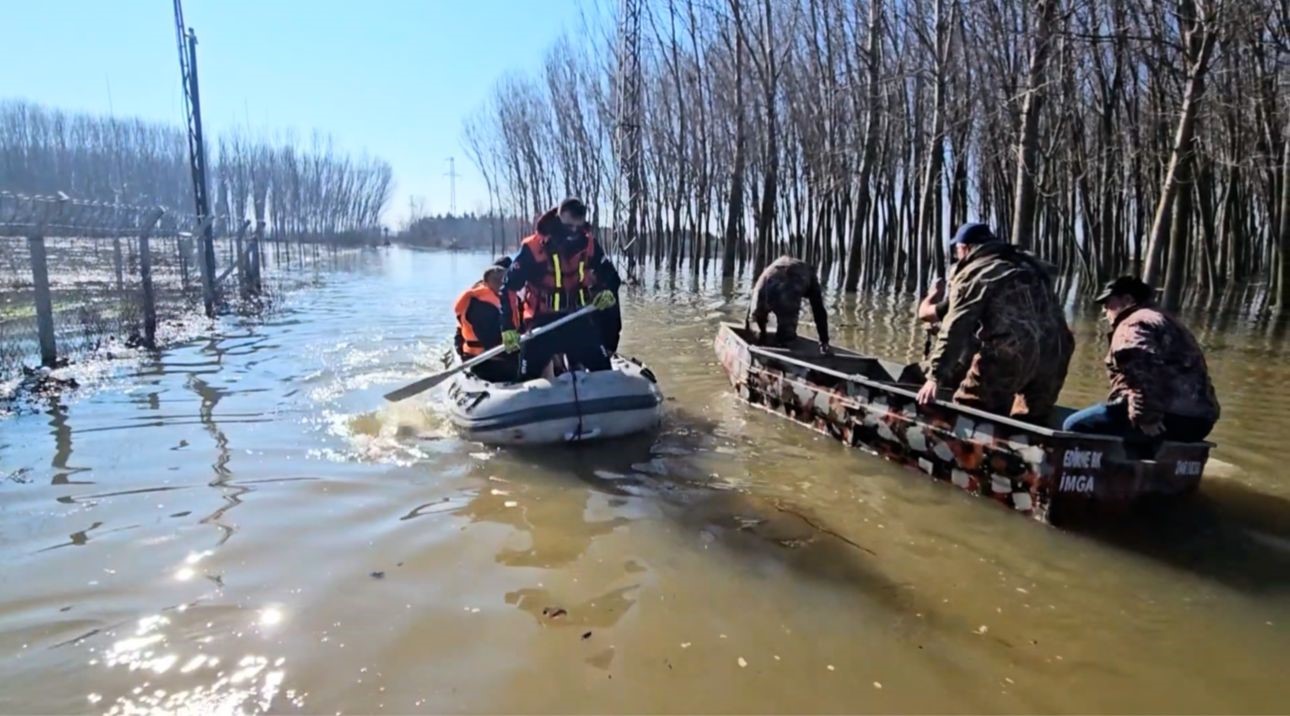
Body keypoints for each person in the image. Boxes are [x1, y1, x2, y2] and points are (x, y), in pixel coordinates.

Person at [917, 222, 1074, 421]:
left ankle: (969, 447)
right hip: (1057, 351)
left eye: (957, 252)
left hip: (1011, 352)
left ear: (965, 248)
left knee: (971, 413)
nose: (957, 257)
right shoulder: (1029, 265)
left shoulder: (976, 271)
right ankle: (1030, 446)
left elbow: (955, 327)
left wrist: (934, 377)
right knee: (1029, 422)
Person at [1062, 276, 1219, 442]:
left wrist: (1146, 416)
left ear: (1128, 300)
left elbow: (1141, 368)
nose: (1104, 310)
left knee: (1073, 426)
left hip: (1168, 418)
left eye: (1108, 303)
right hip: (1201, 421)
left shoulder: (1132, 323)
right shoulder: (1168, 320)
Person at [499, 198, 620, 379]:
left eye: (577, 228)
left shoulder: (589, 244)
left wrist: (607, 291)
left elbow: (611, 276)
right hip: (542, 324)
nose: (573, 233)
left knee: (604, 372)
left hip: (577, 318)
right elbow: (509, 287)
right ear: (558, 219)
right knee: (526, 380)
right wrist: (508, 327)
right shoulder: (533, 248)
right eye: (568, 227)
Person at [747, 255, 831, 354]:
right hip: (790, 281)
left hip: (765, 280)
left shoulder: (783, 264)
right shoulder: (810, 274)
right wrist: (824, 341)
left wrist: (759, 331)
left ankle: (761, 340)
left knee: (755, 320)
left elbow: (752, 312)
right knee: (786, 337)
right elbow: (819, 311)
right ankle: (781, 354)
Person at [453, 258, 519, 382]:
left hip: (496, 355)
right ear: (488, 281)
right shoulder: (481, 305)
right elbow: (492, 342)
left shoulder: (505, 298)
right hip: (483, 360)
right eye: (497, 278)